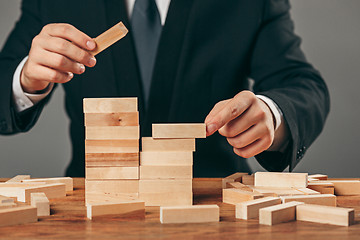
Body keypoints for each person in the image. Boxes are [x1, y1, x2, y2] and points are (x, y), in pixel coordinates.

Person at [0, 0, 330, 177]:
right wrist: (26, 79)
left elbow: (302, 84)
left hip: (211, 204)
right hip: (91, 203)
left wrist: (271, 115)